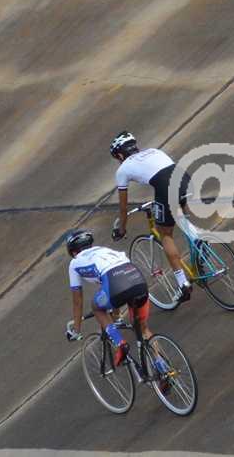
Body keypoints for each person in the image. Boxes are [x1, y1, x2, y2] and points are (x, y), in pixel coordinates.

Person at [64, 230, 168, 374]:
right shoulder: (104, 250)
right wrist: (116, 315)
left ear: (73, 252)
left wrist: (76, 329)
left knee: (96, 307)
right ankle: (162, 366)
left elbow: (77, 301)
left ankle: (120, 344)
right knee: (142, 328)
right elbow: (117, 281)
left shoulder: (74, 263)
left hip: (115, 284)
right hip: (136, 278)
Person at [109, 131, 193, 304]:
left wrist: (122, 228)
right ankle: (198, 242)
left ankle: (183, 283)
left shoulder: (123, 169)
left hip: (165, 187)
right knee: (182, 214)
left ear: (120, 155)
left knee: (165, 234)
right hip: (184, 178)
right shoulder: (154, 151)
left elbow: (123, 207)